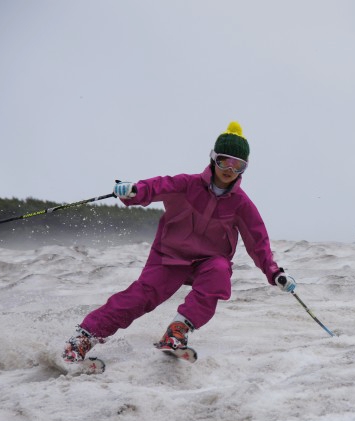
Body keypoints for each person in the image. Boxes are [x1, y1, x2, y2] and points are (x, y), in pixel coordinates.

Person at [62, 121, 296, 363]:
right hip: (169, 256)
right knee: (140, 297)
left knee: (219, 272)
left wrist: (274, 272)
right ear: (213, 159)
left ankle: (177, 332)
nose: (229, 169)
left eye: (238, 165)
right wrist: (134, 191)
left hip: (207, 261)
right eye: (224, 160)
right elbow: (156, 186)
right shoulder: (187, 185)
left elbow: (258, 242)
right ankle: (80, 341)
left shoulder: (241, 204)